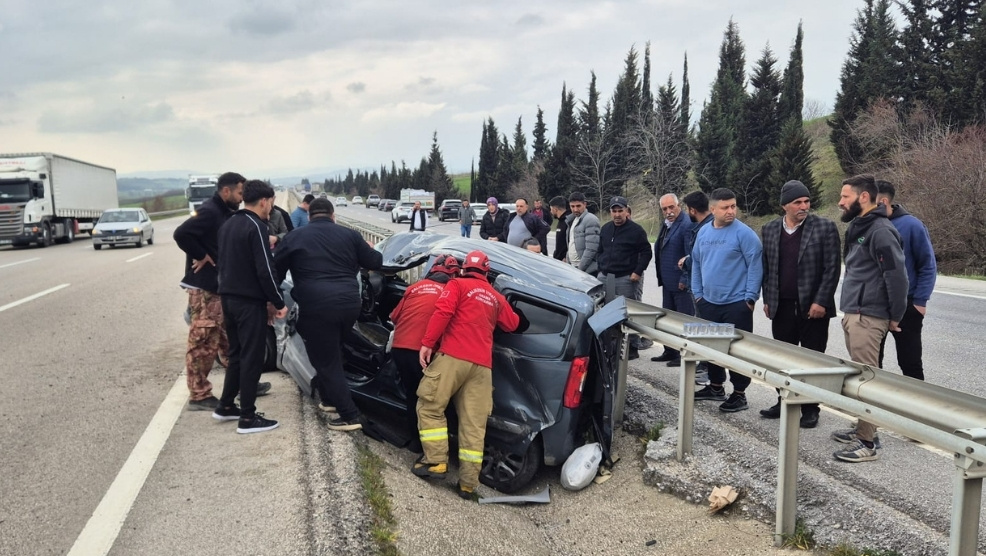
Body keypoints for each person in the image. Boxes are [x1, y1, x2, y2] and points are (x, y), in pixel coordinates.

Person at [412, 250, 520, 500]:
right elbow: (512, 324)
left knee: (430, 407)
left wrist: (427, 343)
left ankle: (436, 462)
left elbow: (443, 312)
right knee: (474, 425)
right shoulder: (495, 297)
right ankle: (468, 484)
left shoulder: (457, 285)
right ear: (486, 271)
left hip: (453, 356)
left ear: (463, 268)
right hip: (482, 368)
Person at [275, 198, 384, 431]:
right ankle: (329, 399)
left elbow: (275, 273)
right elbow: (376, 261)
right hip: (349, 305)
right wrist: (368, 249)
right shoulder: (350, 235)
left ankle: (350, 415)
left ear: (309, 216)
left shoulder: (294, 237)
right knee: (332, 351)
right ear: (333, 216)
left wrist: (274, 302)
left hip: (316, 307)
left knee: (325, 360)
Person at [831, 175, 908, 463]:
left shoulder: (881, 231)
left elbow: (897, 277)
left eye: (845, 196)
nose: (840, 202)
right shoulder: (859, 226)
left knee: (867, 380)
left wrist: (895, 315)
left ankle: (867, 443)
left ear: (864, 197)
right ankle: (864, 428)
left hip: (869, 314)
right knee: (860, 376)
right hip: (855, 311)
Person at [758, 181, 841, 429]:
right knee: (783, 358)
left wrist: (821, 301)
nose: (804, 206)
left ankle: (811, 408)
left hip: (813, 307)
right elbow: (767, 268)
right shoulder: (770, 229)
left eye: (806, 201)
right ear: (784, 205)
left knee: (812, 359)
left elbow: (832, 269)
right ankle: (784, 400)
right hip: (781, 306)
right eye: (797, 202)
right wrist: (768, 299)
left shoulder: (824, 227)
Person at [213, 180, 287, 434]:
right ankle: (247, 417)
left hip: (228, 298)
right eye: (271, 204)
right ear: (264, 201)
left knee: (236, 354)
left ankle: (225, 405)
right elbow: (265, 269)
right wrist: (278, 301)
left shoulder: (228, 223)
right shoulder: (257, 227)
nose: (271, 209)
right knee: (252, 357)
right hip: (248, 302)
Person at [173, 171, 244, 411]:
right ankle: (199, 395)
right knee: (203, 341)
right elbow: (181, 234)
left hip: (218, 286)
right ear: (226, 191)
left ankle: (241, 383)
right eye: (239, 193)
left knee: (227, 338)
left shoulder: (225, 211)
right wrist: (201, 255)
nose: (241, 198)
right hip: (205, 289)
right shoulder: (210, 211)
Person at [691, 188, 763, 413]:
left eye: (733, 206)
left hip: (737, 303)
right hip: (708, 302)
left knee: (737, 351)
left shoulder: (745, 234)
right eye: (725, 207)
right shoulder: (703, 233)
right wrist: (698, 294)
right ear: (713, 209)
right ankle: (715, 387)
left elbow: (755, 266)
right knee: (712, 347)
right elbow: (696, 262)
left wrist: (750, 298)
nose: (731, 211)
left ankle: (740, 394)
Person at [389, 255, 461, 451]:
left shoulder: (415, 287)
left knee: (412, 395)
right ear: (454, 275)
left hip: (400, 348)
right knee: (429, 401)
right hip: (424, 354)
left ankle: (415, 441)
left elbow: (394, 317)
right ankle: (429, 446)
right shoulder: (451, 293)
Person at [875, 180, 937, 381]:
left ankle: (917, 401)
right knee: (872, 362)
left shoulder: (912, 225)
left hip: (907, 306)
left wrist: (920, 302)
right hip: (874, 304)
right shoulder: (868, 224)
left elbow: (927, 265)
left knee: (910, 362)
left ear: (883, 201)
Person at [596, 196, 653, 360]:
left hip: (626, 278)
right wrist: (600, 268)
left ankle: (633, 347)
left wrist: (637, 271)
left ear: (627, 211)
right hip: (606, 277)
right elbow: (600, 250)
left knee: (630, 314)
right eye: (614, 211)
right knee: (608, 312)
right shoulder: (606, 229)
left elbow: (646, 252)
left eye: (620, 211)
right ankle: (611, 346)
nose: (617, 214)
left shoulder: (636, 231)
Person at [651, 194, 694, 366]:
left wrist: (685, 278)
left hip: (681, 283)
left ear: (679, 206)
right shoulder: (667, 224)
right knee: (668, 319)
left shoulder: (686, 224)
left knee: (682, 320)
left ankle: (682, 355)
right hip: (668, 281)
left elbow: (689, 255)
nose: (668, 212)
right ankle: (670, 351)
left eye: (671, 207)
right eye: (664, 209)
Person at [678, 190, 714, 384]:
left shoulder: (705, 229)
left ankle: (706, 370)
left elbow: (702, 259)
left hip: (703, 289)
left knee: (704, 328)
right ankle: (704, 367)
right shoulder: (708, 225)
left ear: (692, 210)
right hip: (702, 286)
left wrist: (686, 261)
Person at [565, 191, 601, 275]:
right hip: (573, 267)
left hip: (587, 270)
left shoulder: (590, 220)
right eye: (572, 206)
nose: (575, 209)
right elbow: (571, 243)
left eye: (578, 206)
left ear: (584, 204)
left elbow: (591, 249)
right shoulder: (572, 220)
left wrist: (580, 269)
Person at [548, 196, 571, 261]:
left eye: (551, 209)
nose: (550, 211)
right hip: (558, 258)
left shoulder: (568, 222)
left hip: (565, 260)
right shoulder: (560, 221)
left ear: (555, 209)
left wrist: (566, 256)